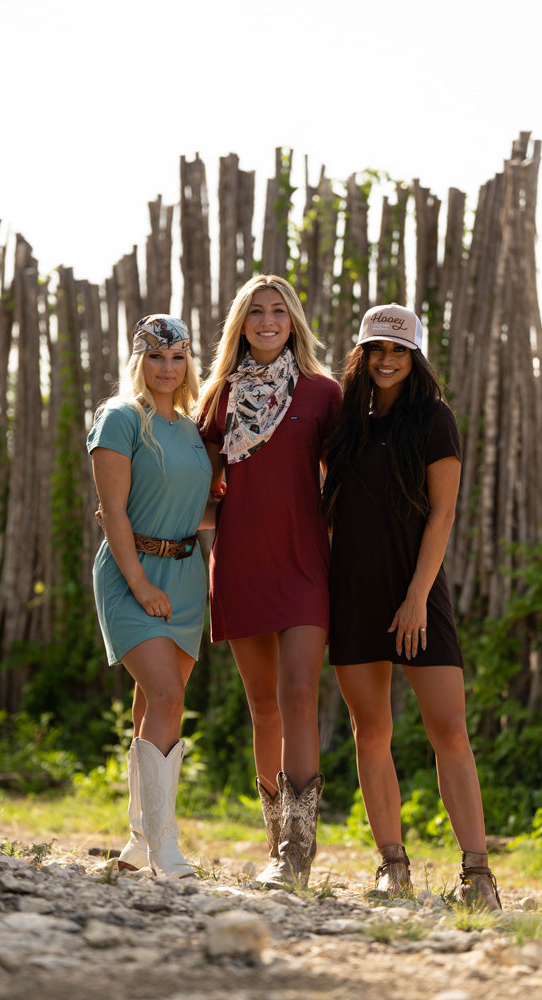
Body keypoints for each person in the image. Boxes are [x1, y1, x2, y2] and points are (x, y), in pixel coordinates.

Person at [323, 303, 502, 910]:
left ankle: (477, 874)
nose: (386, 360)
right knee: (370, 731)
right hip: (351, 591)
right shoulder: (345, 423)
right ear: (362, 355)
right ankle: (391, 866)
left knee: (448, 729)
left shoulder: (435, 420)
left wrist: (418, 597)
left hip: (417, 592)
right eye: (376, 349)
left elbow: (443, 512)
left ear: (416, 357)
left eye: (398, 350)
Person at [199, 274, 342, 889]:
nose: (266, 320)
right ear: (240, 323)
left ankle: (296, 853)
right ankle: (273, 844)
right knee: (263, 708)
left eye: (277, 311)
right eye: (255, 311)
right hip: (241, 563)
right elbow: (200, 490)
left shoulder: (322, 393)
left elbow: (346, 482)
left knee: (300, 695)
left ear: (293, 321)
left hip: (307, 564)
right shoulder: (217, 400)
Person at [87, 314, 214, 879]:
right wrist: (138, 583)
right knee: (165, 697)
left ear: (189, 362)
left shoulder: (189, 427)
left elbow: (196, 509)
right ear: (139, 360)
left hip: (186, 578)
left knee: (153, 703)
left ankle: (139, 843)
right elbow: (113, 511)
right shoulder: (120, 419)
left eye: (178, 357)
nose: (168, 368)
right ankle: (165, 845)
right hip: (131, 572)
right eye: (156, 357)